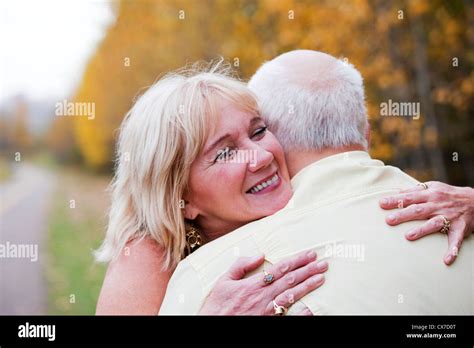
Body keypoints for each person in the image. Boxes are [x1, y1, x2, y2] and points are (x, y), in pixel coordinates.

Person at [96, 57, 473, 315]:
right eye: (225, 154)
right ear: (182, 199)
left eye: (259, 131)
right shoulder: (149, 260)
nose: (260, 157)